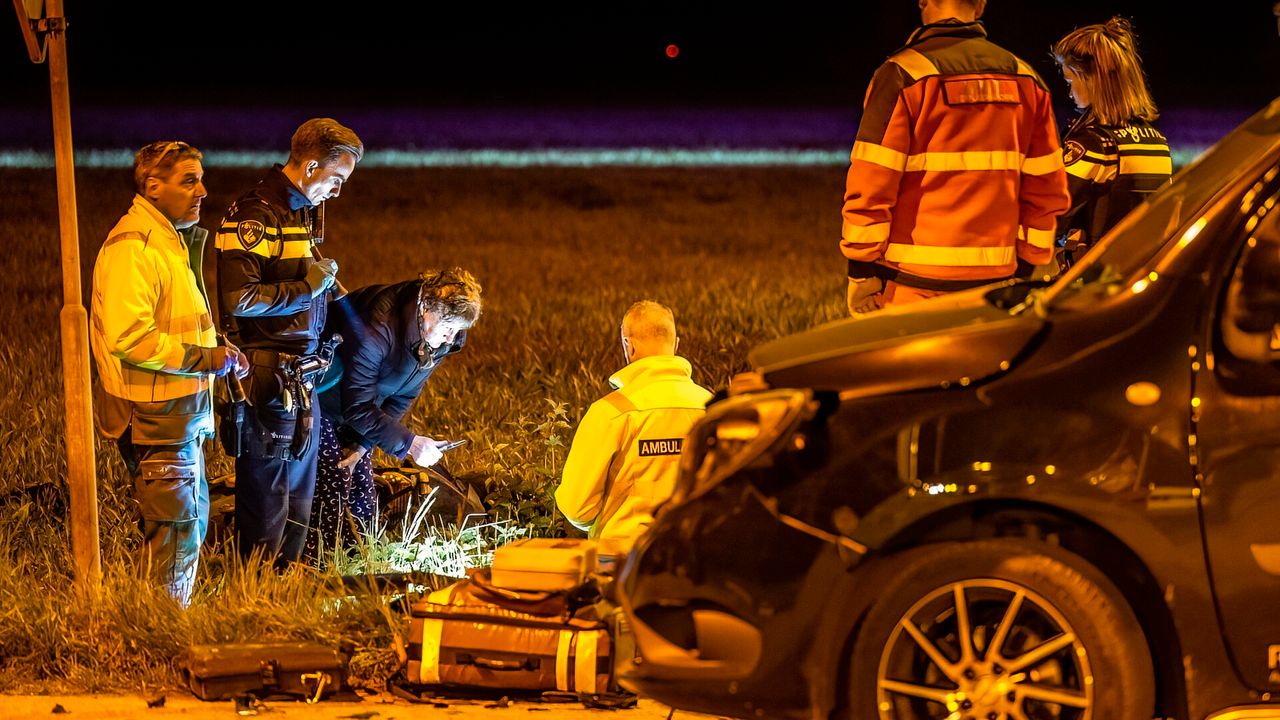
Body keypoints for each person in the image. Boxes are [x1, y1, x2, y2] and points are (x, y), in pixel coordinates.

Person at [89, 140, 247, 605]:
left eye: (200, 178)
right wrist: (205, 360)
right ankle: (161, 633)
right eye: (189, 180)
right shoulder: (134, 247)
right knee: (176, 534)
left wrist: (216, 348)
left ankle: (165, 623)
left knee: (187, 526)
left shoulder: (166, 239)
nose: (203, 190)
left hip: (176, 414)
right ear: (152, 186)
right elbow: (130, 337)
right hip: (155, 416)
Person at [842, 0, 1070, 314]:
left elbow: (871, 182)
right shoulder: (1027, 80)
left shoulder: (902, 75)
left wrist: (861, 272)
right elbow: (1047, 190)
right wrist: (1026, 266)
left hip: (911, 283)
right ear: (981, 5)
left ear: (923, 1)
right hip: (998, 283)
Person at [215, 118, 362, 568]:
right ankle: (253, 598)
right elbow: (239, 299)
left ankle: (282, 595)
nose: (338, 191)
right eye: (336, 178)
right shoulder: (255, 214)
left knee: (298, 498)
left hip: (300, 378)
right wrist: (309, 290)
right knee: (267, 500)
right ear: (312, 164)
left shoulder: (298, 211)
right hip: (267, 376)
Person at [304, 269, 483, 565]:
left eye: (458, 331)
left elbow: (403, 394)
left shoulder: (441, 336)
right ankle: (313, 567)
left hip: (360, 406)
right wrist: (410, 445)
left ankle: (361, 560)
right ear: (427, 308)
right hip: (320, 397)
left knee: (361, 487)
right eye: (448, 328)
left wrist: (362, 446)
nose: (451, 338)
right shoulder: (378, 329)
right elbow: (357, 407)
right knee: (331, 481)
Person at [555, 301, 712, 561]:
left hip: (621, 565)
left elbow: (577, 506)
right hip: (696, 559)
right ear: (675, 345)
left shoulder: (612, 412)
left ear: (630, 345)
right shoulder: (711, 407)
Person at [1052, 17, 1172, 269]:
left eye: (1070, 81)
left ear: (1092, 79)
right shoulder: (1156, 141)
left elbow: (1052, 215)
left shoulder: (1093, 144)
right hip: (1138, 272)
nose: (1069, 93)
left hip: (1093, 280)